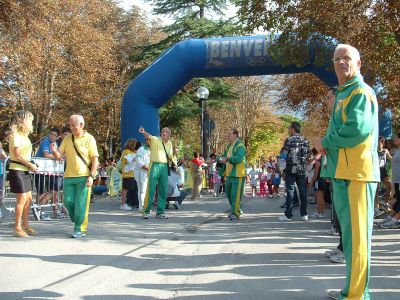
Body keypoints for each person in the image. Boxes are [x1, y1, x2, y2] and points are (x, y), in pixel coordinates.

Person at [315, 44, 380, 300]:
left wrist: (326, 143)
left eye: (347, 58)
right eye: (337, 59)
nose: (342, 62)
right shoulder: (343, 93)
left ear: (358, 63)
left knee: (358, 239)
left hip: (359, 175)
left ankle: (357, 295)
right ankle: (351, 290)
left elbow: (358, 130)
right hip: (343, 173)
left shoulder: (361, 92)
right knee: (351, 239)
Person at [52, 114, 99, 238]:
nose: (71, 128)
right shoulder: (67, 139)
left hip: (84, 176)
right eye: (70, 125)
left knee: (81, 204)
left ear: (81, 125)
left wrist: (91, 176)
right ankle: (77, 219)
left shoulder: (90, 139)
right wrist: (54, 151)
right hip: (69, 176)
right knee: (67, 202)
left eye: (74, 125)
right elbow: (60, 156)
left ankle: (79, 229)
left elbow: (95, 160)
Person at [7, 110, 38, 238]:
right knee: (22, 199)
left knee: (29, 199)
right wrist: (30, 165)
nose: (31, 122)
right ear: (23, 121)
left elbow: (25, 155)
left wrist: (31, 164)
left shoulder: (25, 136)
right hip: (17, 170)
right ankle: (17, 227)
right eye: (30, 120)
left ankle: (25, 224)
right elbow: (18, 155)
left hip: (24, 171)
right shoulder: (16, 136)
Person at [278, 121, 310, 222]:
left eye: (289, 128)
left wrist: (282, 169)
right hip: (301, 170)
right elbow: (309, 155)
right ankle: (304, 214)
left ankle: (288, 215)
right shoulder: (305, 140)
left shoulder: (289, 140)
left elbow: (283, 155)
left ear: (293, 129)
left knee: (290, 191)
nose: (288, 130)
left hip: (290, 169)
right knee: (303, 192)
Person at [139, 126, 173, 219]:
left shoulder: (170, 144)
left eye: (166, 131)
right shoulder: (155, 139)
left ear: (169, 134)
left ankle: (160, 212)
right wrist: (143, 131)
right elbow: (149, 136)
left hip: (164, 167)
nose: (164, 132)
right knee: (151, 189)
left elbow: (170, 156)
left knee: (163, 190)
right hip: (155, 165)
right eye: (162, 131)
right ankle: (146, 212)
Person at [34, 127, 62, 220]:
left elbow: (58, 155)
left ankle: (39, 208)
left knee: (52, 190)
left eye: (54, 135)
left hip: (49, 170)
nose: (52, 136)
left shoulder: (56, 143)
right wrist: (57, 157)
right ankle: (39, 211)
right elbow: (46, 155)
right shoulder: (46, 142)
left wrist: (57, 156)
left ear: (58, 137)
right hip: (39, 169)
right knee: (41, 191)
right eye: (51, 134)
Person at [220, 129, 247, 220]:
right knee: (229, 194)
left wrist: (228, 159)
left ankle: (235, 213)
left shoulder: (240, 145)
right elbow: (224, 156)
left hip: (238, 174)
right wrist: (213, 161)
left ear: (235, 135)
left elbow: (239, 158)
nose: (229, 136)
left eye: (230, 134)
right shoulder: (230, 146)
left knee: (235, 195)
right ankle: (236, 209)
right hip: (229, 174)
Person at [120, 138, 138, 211]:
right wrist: (134, 158)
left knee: (128, 189)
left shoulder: (131, 151)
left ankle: (127, 203)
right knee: (125, 189)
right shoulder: (127, 151)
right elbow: (126, 160)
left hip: (131, 173)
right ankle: (123, 204)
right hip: (128, 174)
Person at [134, 138, 151, 212]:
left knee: (148, 190)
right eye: (147, 140)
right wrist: (148, 168)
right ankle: (142, 207)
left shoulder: (153, 149)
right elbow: (139, 162)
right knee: (142, 190)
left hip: (149, 173)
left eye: (150, 140)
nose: (148, 141)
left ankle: (146, 206)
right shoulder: (141, 149)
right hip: (141, 172)